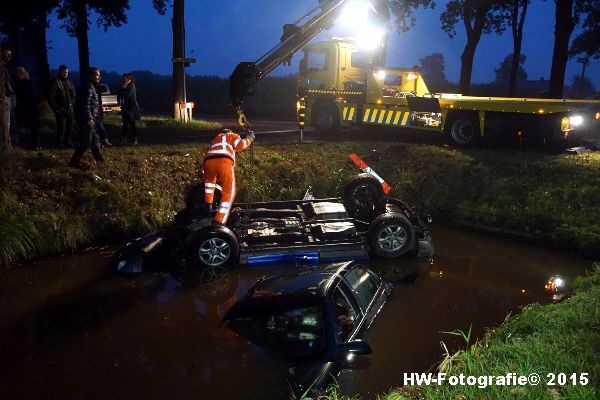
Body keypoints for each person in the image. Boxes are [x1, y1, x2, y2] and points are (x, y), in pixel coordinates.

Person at [202, 128, 255, 224]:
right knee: (229, 192)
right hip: (224, 161)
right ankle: (219, 221)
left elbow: (208, 151)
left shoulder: (214, 139)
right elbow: (240, 145)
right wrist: (249, 139)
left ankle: (208, 204)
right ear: (229, 132)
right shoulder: (232, 135)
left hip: (208, 161)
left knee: (209, 184)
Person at [69, 67, 104, 168]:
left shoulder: (90, 85)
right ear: (91, 76)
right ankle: (74, 161)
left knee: (95, 139)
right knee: (85, 141)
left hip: (89, 117)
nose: (99, 78)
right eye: (97, 75)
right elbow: (86, 104)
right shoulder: (88, 86)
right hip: (86, 119)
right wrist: (89, 118)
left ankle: (99, 159)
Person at [48, 65, 76, 148]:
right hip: (61, 109)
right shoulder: (55, 82)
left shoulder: (69, 82)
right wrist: (56, 109)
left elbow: (74, 95)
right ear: (60, 72)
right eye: (64, 72)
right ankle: (60, 143)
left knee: (69, 127)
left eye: (66, 72)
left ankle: (68, 142)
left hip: (70, 109)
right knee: (62, 127)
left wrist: (73, 105)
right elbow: (50, 97)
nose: (65, 74)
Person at [15, 67, 41, 149]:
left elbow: (28, 96)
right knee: (29, 126)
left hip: (28, 108)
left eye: (18, 74)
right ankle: (34, 143)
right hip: (24, 107)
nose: (17, 76)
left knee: (32, 126)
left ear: (21, 74)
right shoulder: (20, 83)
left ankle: (36, 143)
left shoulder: (26, 83)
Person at [1, 42, 17, 146]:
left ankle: (6, 144)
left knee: (7, 123)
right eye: (8, 53)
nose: (9, 56)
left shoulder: (4, 66)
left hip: (7, 98)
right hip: (4, 98)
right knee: (5, 123)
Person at [117, 73, 140, 144]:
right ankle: (124, 139)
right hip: (125, 107)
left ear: (128, 78)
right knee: (125, 124)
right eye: (123, 78)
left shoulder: (131, 85)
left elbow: (127, 95)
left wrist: (122, 90)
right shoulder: (123, 86)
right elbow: (119, 95)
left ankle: (135, 139)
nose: (123, 79)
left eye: (124, 78)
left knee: (132, 124)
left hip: (131, 108)